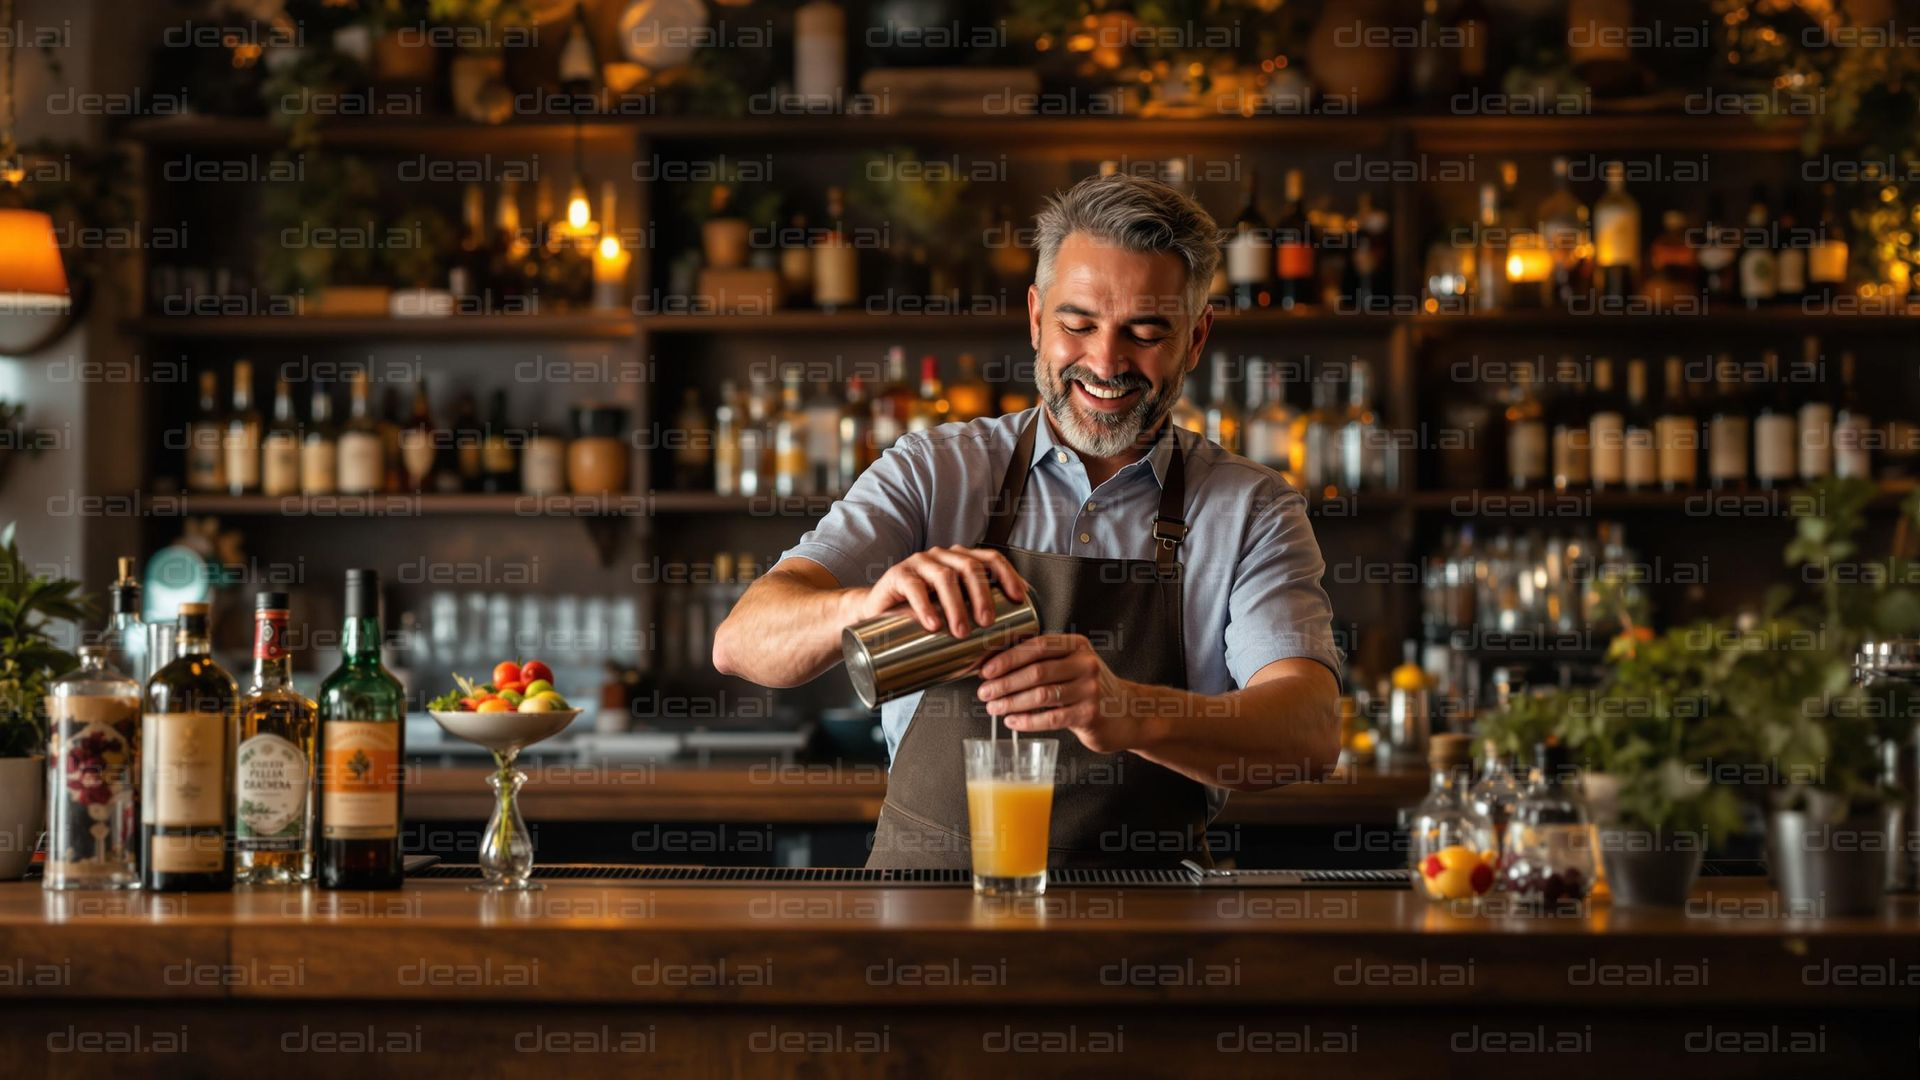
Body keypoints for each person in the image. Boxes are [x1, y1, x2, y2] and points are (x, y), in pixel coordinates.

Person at [712, 172, 1341, 869]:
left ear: (1196, 338)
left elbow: (1310, 730)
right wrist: (864, 604)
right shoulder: (934, 470)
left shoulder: (1251, 508)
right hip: (921, 922)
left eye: (1146, 331)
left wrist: (1130, 711)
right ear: (1037, 318)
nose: (1105, 361)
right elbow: (741, 642)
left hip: (1150, 938)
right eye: (1078, 325)